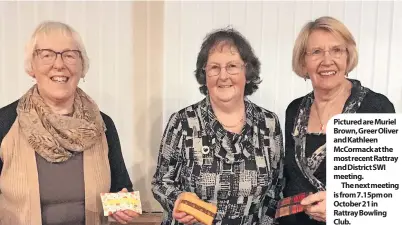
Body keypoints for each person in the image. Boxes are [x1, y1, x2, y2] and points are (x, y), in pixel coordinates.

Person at [0, 21, 138, 225]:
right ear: (32, 67)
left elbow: (121, 190)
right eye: (47, 55)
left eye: (70, 55)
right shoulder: (5, 122)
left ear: (82, 67)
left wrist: (124, 206)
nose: (59, 64)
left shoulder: (103, 124)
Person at [151, 27, 285, 225]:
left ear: (247, 72)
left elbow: (276, 189)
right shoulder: (183, 122)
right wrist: (176, 200)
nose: (223, 76)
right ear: (204, 74)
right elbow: (161, 183)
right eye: (214, 67)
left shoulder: (268, 124)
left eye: (232, 66)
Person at [280, 16, 395, 225]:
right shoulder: (294, 110)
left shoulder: (374, 108)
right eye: (316, 52)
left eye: (336, 50)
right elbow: (288, 181)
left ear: (347, 57)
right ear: (303, 62)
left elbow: (385, 193)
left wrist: (340, 206)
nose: (327, 60)